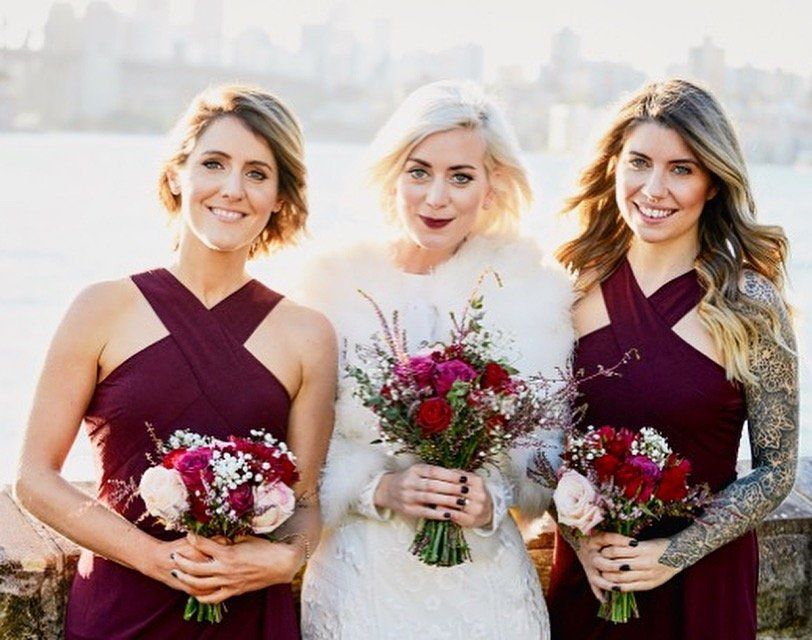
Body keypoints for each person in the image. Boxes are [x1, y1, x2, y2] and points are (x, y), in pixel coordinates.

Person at [14, 85, 337, 639]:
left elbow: (304, 504)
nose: (232, 189)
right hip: (121, 610)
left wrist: (286, 559)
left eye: (257, 173)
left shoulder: (309, 335)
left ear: (281, 197)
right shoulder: (101, 308)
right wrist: (152, 558)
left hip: (248, 616)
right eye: (214, 163)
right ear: (175, 175)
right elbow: (34, 479)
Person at [296, 80, 574, 639]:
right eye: (419, 172)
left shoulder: (530, 293)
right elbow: (297, 454)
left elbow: (544, 460)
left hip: (484, 589)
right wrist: (377, 489)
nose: (436, 197)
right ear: (393, 176)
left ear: (492, 188)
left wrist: (491, 500)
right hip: (362, 584)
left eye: (461, 177)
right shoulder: (327, 289)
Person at [547, 78, 798, 640]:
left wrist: (673, 554)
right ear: (614, 166)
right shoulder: (568, 289)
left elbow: (776, 469)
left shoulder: (749, 305)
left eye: (681, 169)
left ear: (713, 183)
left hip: (703, 585)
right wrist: (582, 541)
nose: (654, 188)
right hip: (595, 581)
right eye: (639, 163)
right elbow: (538, 449)